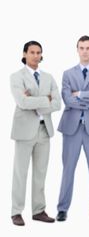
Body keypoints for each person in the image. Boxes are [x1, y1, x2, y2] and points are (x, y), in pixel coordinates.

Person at [57, 35, 89, 223]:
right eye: (82, 48)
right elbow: (67, 99)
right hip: (72, 127)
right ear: (77, 49)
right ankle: (62, 208)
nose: (85, 51)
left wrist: (80, 94)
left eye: (88, 48)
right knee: (67, 169)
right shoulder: (67, 73)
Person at [10, 40, 61, 226]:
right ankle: (16, 211)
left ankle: (38, 210)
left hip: (44, 130)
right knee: (20, 173)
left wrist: (34, 99)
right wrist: (45, 98)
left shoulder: (48, 77)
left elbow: (57, 103)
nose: (36, 55)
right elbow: (22, 103)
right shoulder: (16, 77)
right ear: (24, 54)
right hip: (24, 131)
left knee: (41, 173)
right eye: (32, 52)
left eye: (38, 52)